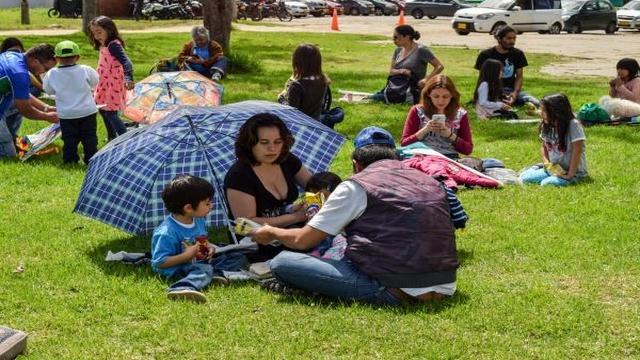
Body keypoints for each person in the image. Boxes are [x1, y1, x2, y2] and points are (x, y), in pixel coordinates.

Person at [251, 126, 461, 305]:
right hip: (445, 285)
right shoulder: (430, 181)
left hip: (391, 287)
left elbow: (302, 240)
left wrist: (271, 232)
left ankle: (312, 288)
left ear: (355, 164)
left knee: (282, 262)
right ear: (396, 157)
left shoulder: (356, 185)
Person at [224, 113, 312, 261]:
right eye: (264, 142)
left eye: (278, 141)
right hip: (258, 240)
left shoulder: (287, 160)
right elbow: (246, 223)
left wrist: (314, 202)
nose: (272, 148)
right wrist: (294, 217)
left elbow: (315, 186)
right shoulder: (239, 175)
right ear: (250, 144)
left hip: (294, 229)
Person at [151, 175, 247, 303]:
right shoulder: (167, 232)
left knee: (237, 256)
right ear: (188, 208)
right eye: (207, 203)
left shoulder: (198, 220)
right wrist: (186, 256)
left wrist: (210, 247)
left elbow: (201, 240)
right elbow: (159, 262)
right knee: (203, 269)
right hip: (177, 267)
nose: (211, 206)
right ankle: (182, 288)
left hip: (198, 261)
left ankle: (214, 275)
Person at [42, 41, 99, 165]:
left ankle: (70, 160)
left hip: (66, 114)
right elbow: (95, 82)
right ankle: (91, 159)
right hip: (87, 111)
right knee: (89, 137)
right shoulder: (85, 70)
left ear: (56, 58)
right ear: (77, 57)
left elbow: (48, 90)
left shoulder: (51, 74)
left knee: (69, 139)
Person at [0, 43, 58, 158]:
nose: (44, 73)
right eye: (46, 68)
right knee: (8, 156)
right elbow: (26, 110)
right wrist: (47, 116)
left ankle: (11, 137)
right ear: (35, 61)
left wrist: (46, 108)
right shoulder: (19, 73)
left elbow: (23, 94)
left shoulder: (13, 56)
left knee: (18, 102)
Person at [520, 93, 587, 187]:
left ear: (556, 111)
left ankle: (572, 177)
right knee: (525, 179)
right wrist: (547, 163)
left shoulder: (573, 124)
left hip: (574, 173)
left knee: (547, 184)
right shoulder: (545, 124)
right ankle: (536, 168)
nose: (540, 113)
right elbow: (544, 146)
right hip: (554, 169)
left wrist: (570, 175)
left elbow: (578, 150)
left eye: (544, 110)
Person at [400, 75, 473, 159]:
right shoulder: (417, 111)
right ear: (428, 95)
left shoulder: (460, 114)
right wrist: (425, 130)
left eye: (445, 97)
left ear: (452, 96)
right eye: (436, 96)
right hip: (422, 156)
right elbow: (404, 144)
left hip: (449, 157)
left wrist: (450, 135)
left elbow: (467, 150)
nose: (440, 101)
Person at [368, 25, 444, 104]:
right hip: (394, 86)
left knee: (373, 99)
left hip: (410, 89)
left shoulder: (421, 50)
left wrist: (426, 80)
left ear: (407, 37)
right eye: (393, 38)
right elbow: (391, 71)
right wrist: (402, 71)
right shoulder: (397, 50)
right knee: (371, 97)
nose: (394, 40)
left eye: (396, 37)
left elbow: (439, 66)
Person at [88, 16, 134, 142]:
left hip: (113, 83)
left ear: (109, 30)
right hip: (104, 82)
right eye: (94, 33)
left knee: (111, 112)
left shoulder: (113, 45)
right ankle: (112, 137)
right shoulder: (104, 44)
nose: (96, 36)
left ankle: (125, 139)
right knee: (102, 110)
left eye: (99, 32)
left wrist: (128, 77)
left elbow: (127, 62)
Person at [474, 25, 539, 107]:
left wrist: (515, 93)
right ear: (499, 38)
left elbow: (519, 76)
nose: (512, 41)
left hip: (512, 90)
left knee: (535, 102)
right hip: (492, 91)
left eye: (514, 38)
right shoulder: (485, 55)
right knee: (493, 102)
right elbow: (483, 78)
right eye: (508, 38)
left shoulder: (518, 54)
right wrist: (497, 94)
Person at [277, 43, 329, 121]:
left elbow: (292, 112)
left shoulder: (296, 86)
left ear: (296, 63)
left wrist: (281, 98)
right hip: (316, 124)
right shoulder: (322, 81)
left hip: (299, 125)